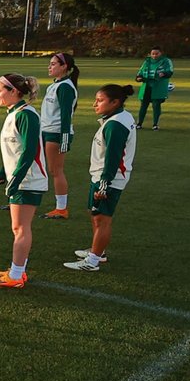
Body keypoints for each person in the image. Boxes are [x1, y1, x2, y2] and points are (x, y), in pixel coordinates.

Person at [64, 84, 138, 272]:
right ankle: (98, 250)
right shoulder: (119, 117)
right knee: (96, 215)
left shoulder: (115, 125)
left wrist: (104, 185)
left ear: (115, 102)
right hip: (103, 176)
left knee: (102, 219)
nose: (94, 104)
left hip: (109, 179)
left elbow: (113, 159)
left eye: (100, 100)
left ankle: (93, 261)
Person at [0, 73, 47, 289]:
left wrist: (16, 179)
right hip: (21, 179)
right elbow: (15, 150)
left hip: (29, 180)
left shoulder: (26, 115)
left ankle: (16, 275)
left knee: (21, 228)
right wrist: (2, 172)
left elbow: (30, 150)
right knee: (17, 227)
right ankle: (17, 271)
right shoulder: (13, 113)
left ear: (14, 91)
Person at [39, 53, 80, 219]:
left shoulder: (65, 87)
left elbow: (66, 115)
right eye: (50, 63)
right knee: (45, 168)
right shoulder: (55, 85)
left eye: (54, 64)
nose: (50, 67)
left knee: (56, 170)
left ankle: (61, 209)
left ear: (64, 67)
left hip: (56, 133)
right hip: (46, 130)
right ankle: (25, 201)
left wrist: (64, 138)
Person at [134, 46, 174, 129]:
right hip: (147, 86)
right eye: (153, 54)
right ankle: (139, 124)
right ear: (150, 54)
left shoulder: (166, 61)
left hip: (158, 87)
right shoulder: (147, 61)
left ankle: (155, 124)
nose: (154, 56)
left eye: (156, 54)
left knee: (156, 105)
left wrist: (164, 74)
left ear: (160, 53)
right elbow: (140, 72)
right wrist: (138, 78)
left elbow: (170, 71)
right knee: (143, 105)